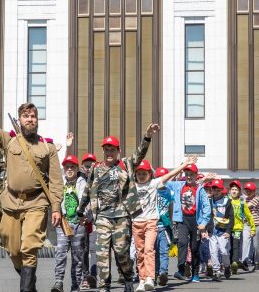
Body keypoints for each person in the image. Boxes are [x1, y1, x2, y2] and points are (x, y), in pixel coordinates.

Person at [0, 81, 62, 292]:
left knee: (29, 246)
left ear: (37, 120)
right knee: (12, 247)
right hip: (11, 202)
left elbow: (56, 180)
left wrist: (56, 207)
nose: (30, 120)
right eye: (26, 116)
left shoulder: (48, 147)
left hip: (36, 202)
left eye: (33, 116)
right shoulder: (9, 141)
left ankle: (26, 289)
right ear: (19, 120)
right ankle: (30, 282)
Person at [77, 124, 160, 292]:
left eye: (112, 150)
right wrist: (81, 210)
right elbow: (87, 190)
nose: (109, 153)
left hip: (122, 217)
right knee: (101, 253)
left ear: (118, 151)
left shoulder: (125, 165)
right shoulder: (96, 169)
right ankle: (104, 285)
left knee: (122, 252)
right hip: (103, 217)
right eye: (106, 150)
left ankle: (128, 277)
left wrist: (147, 137)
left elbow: (139, 155)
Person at [132, 156, 195, 292]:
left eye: (144, 173)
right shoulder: (132, 186)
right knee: (140, 253)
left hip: (151, 222)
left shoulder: (153, 184)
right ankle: (142, 280)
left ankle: (150, 278)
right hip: (136, 223)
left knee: (149, 249)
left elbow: (170, 175)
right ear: (135, 175)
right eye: (139, 173)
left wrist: (184, 165)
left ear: (150, 174)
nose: (142, 176)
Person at [165, 163, 212, 283]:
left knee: (195, 248)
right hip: (182, 219)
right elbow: (165, 182)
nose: (189, 177)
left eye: (191, 174)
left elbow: (207, 207)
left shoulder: (200, 189)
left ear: (196, 175)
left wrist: (204, 223)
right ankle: (181, 270)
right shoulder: (179, 185)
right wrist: (180, 168)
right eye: (187, 174)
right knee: (182, 242)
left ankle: (195, 273)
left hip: (195, 221)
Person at [52, 155, 88, 292]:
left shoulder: (82, 182)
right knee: (60, 253)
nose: (69, 169)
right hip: (64, 223)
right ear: (64, 169)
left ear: (77, 168)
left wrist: (84, 215)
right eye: (67, 167)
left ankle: (75, 286)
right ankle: (58, 283)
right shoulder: (60, 183)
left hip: (78, 224)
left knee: (77, 258)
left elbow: (86, 200)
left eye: (72, 167)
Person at [153, 167, 175, 286]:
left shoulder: (170, 192)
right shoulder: (152, 190)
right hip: (152, 225)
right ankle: (155, 272)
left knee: (164, 250)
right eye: (159, 178)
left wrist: (171, 222)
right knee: (153, 251)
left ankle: (163, 273)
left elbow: (171, 207)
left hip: (165, 226)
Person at [79, 153, 99, 289]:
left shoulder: (99, 178)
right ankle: (85, 277)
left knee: (94, 249)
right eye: (87, 165)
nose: (89, 167)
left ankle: (93, 277)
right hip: (81, 219)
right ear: (82, 166)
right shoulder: (78, 178)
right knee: (83, 250)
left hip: (95, 219)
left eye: (92, 165)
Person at [227, 180, 255, 274]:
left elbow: (249, 216)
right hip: (226, 228)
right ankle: (232, 263)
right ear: (229, 191)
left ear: (239, 191)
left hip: (238, 228)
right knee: (228, 247)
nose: (234, 191)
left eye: (236, 189)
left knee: (235, 246)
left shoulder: (242, 202)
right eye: (232, 189)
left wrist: (252, 228)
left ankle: (234, 263)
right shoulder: (226, 200)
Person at [207, 179, 233, 281]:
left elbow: (231, 217)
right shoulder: (209, 201)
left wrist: (228, 231)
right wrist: (206, 229)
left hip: (223, 231)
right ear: (211, 190)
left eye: (218, 190)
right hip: (212, 231)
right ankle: (216, 271)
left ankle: (227, 266)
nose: (216, 192)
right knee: (213, 251)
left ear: (222, 190)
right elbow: (207, 216)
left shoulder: (227, 201)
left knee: (224, 251)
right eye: (214, 189)